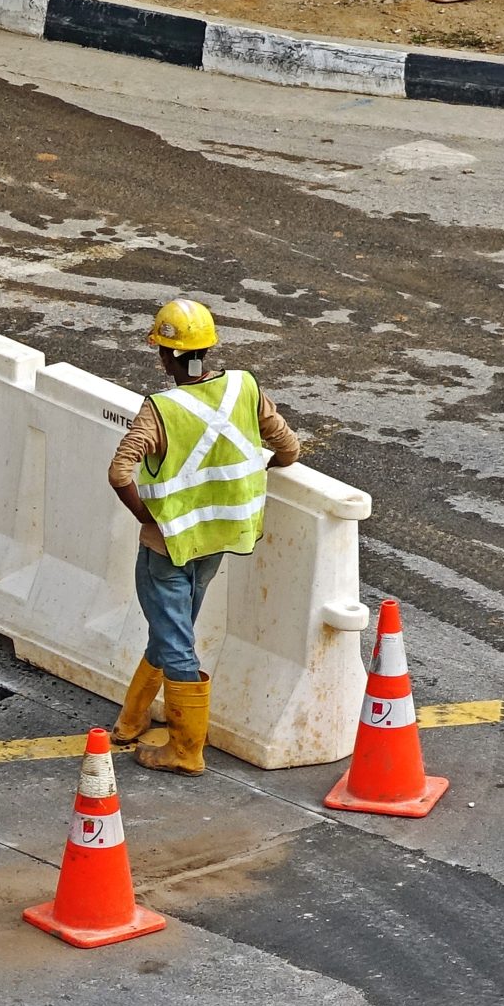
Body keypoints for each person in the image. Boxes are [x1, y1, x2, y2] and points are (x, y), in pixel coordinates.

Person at [106, 299, 301, 774]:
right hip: (219, 539)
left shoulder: (160, 409)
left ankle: (186, 749)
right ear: (208, 349)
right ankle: (131, 720)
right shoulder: (243, 387)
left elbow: (119, 472)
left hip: (167, 546)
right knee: (174, 628)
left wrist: (146, 519)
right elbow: (289, 449)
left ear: (165, 356)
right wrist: (257, 472)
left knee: (175, 640)